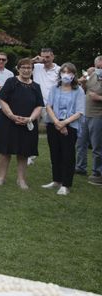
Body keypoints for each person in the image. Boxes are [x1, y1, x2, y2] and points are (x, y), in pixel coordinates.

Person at [0, 58, 44, 189]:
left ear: (32, 70)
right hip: (8, 122)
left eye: (29, 68)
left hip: (27, 124)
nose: (26, 70)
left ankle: (21, 179)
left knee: (24, 152)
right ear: (18, 68)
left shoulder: (36, 86)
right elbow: (2, 100)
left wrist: (30, 119)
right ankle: (1, 177)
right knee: (5, 151)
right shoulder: (11, 82)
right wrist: (11, 115)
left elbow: (39, 106)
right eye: (24, 67)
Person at [42, 63, 85, 195]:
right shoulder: (55, 88)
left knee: (68, 155)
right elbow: (49, 106)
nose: (66, 75)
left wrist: (64, 123)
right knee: (55, 153)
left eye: (69, 72)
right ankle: (56, 180)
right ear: (60, 73)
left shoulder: (78, 90)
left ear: (74, 75)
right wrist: (57, 122)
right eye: (64, 72)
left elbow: (79, 111)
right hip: (53, 123)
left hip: (70, 126)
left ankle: (66, 184)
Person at [28, 48, 61, 166]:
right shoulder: (36, 67)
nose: (45, 60)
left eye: (48, 57)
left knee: (53, 131)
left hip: (51, 105)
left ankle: (56, 157)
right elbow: (19, 67)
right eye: (43, 57)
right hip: (36, 103)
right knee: (31, 129)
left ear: (53, 57)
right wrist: (33, 60)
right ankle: (31, 155)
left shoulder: (59, 69)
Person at [77, 57, 102, 185]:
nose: (99, 69)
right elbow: (79, 83)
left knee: (97, 146)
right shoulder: (92, 76)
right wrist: (84, 78)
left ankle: (98, 173)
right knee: (81, 143)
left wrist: (99, 97)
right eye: (97, 67)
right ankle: (80, 167)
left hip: (98, 116)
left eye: (100, 67)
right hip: (85, 114)